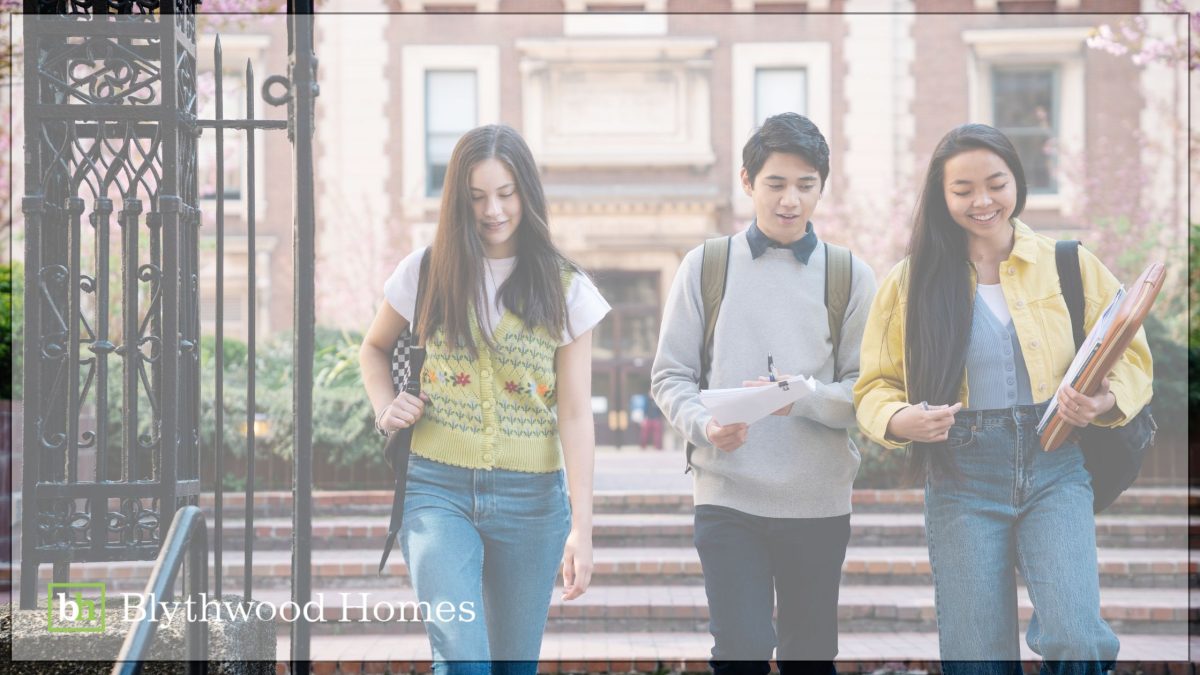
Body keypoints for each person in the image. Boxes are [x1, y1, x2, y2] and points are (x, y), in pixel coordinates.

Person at [853, 123, 1153, 675]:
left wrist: (1105, 401)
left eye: (995, 183)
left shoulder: (1068, 261)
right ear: (941, 198)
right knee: (978, 660)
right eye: (962, 189)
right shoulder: (909, 282)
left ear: (1018, 181)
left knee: (1077, 637)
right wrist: (900, 420)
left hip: (1056, 465)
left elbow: (1132, 356)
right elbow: (874, 386)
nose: (982, 200)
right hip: (960, 476)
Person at [359, 124, 611, 675]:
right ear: (457, 200)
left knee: (511, 667)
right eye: (476, 197)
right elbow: (373, 350)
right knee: (463, 662)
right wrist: (386, 407)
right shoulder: (425, 271)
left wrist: (583, 527)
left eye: (506, 193)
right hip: (436, 490)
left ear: (527, 192)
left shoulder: (567, 288)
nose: (492, 211)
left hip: (534, 502)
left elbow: (574, 414)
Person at [651, 112, 877, 675]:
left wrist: (797, 396)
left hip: (817, 499)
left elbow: (866, 393)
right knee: (741, 653)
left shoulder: (849, 275)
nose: (790, 200)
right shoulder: (706, 266)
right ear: (748, 182)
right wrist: (705, 424)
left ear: (822, 187)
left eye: (806, 185)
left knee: (809, 657)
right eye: (776, 183)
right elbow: (670, 375)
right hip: (728, 495)